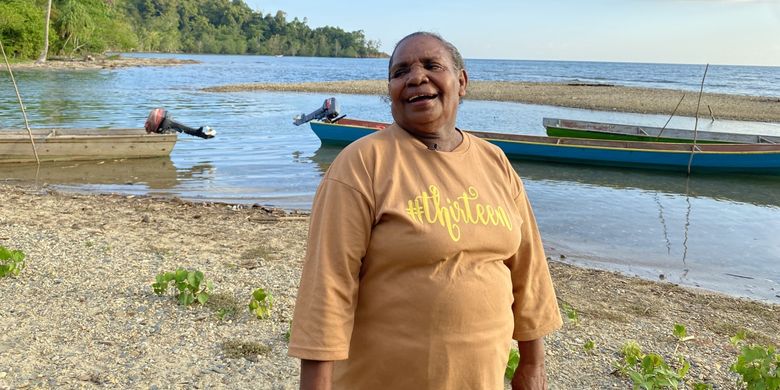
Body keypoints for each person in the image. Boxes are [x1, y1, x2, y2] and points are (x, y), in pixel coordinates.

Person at [288, 31, 562, 390]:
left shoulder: (494, 161)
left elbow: (529, 270)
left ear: (461, 81)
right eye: (401, 72)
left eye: (432, 66)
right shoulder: (362, 164)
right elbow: (327, 288)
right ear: (390, 91)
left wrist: (532, 362)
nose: (416, 77)